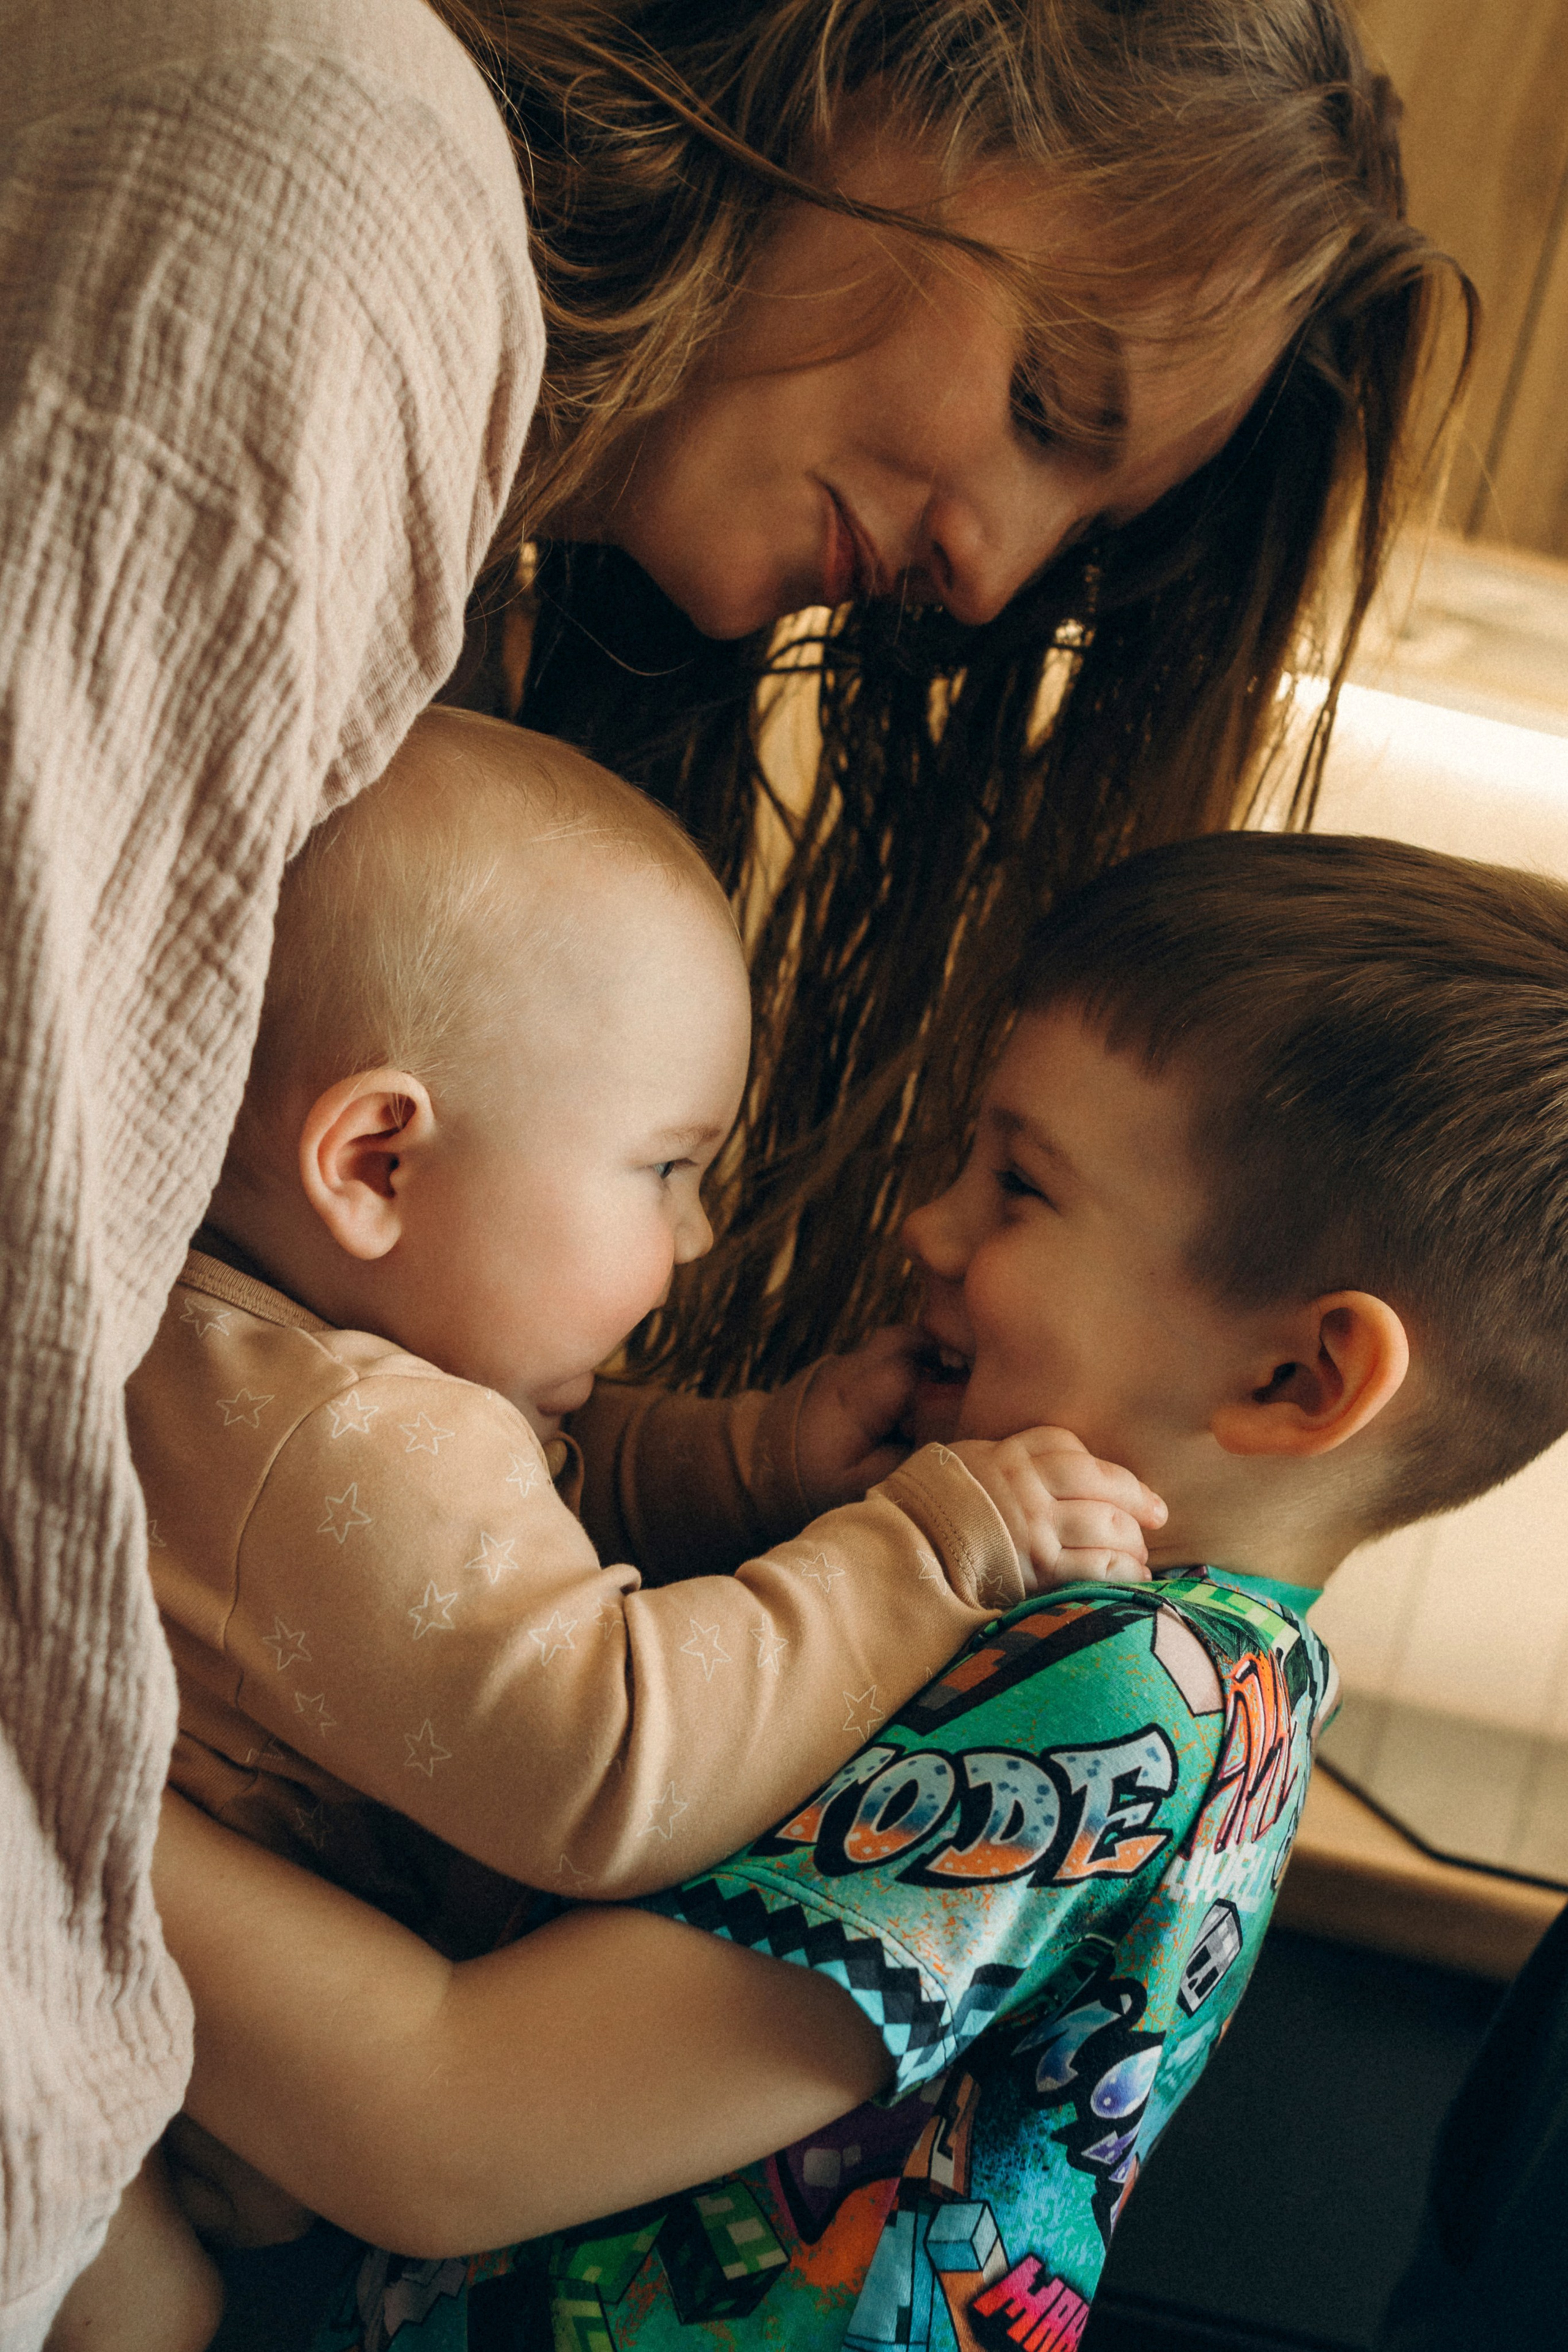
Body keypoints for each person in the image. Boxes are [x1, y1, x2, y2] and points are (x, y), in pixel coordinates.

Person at [0, 0, 1465, 2337]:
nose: (990, 582)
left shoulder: (1131, 1675)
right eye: (1047, 407)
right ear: (879, 57)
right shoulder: (337, 216)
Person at [146, 829, 1568, 2351]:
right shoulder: (1205, 1671)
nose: (929, 1227)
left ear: (1296, 1377)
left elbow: (443, 2128)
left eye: (1018, 1187)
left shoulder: (1122, 1685)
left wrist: (68, 1797)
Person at [65, 703, 1169, 2349]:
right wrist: (925, 1552)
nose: (701, 1235)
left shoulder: (277, 1378)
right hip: (129, 2112)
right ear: (378, 1158)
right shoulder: (343, 1437)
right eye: (664, 1169)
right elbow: (596, 1759)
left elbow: (513, 1505)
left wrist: (748, 1460)